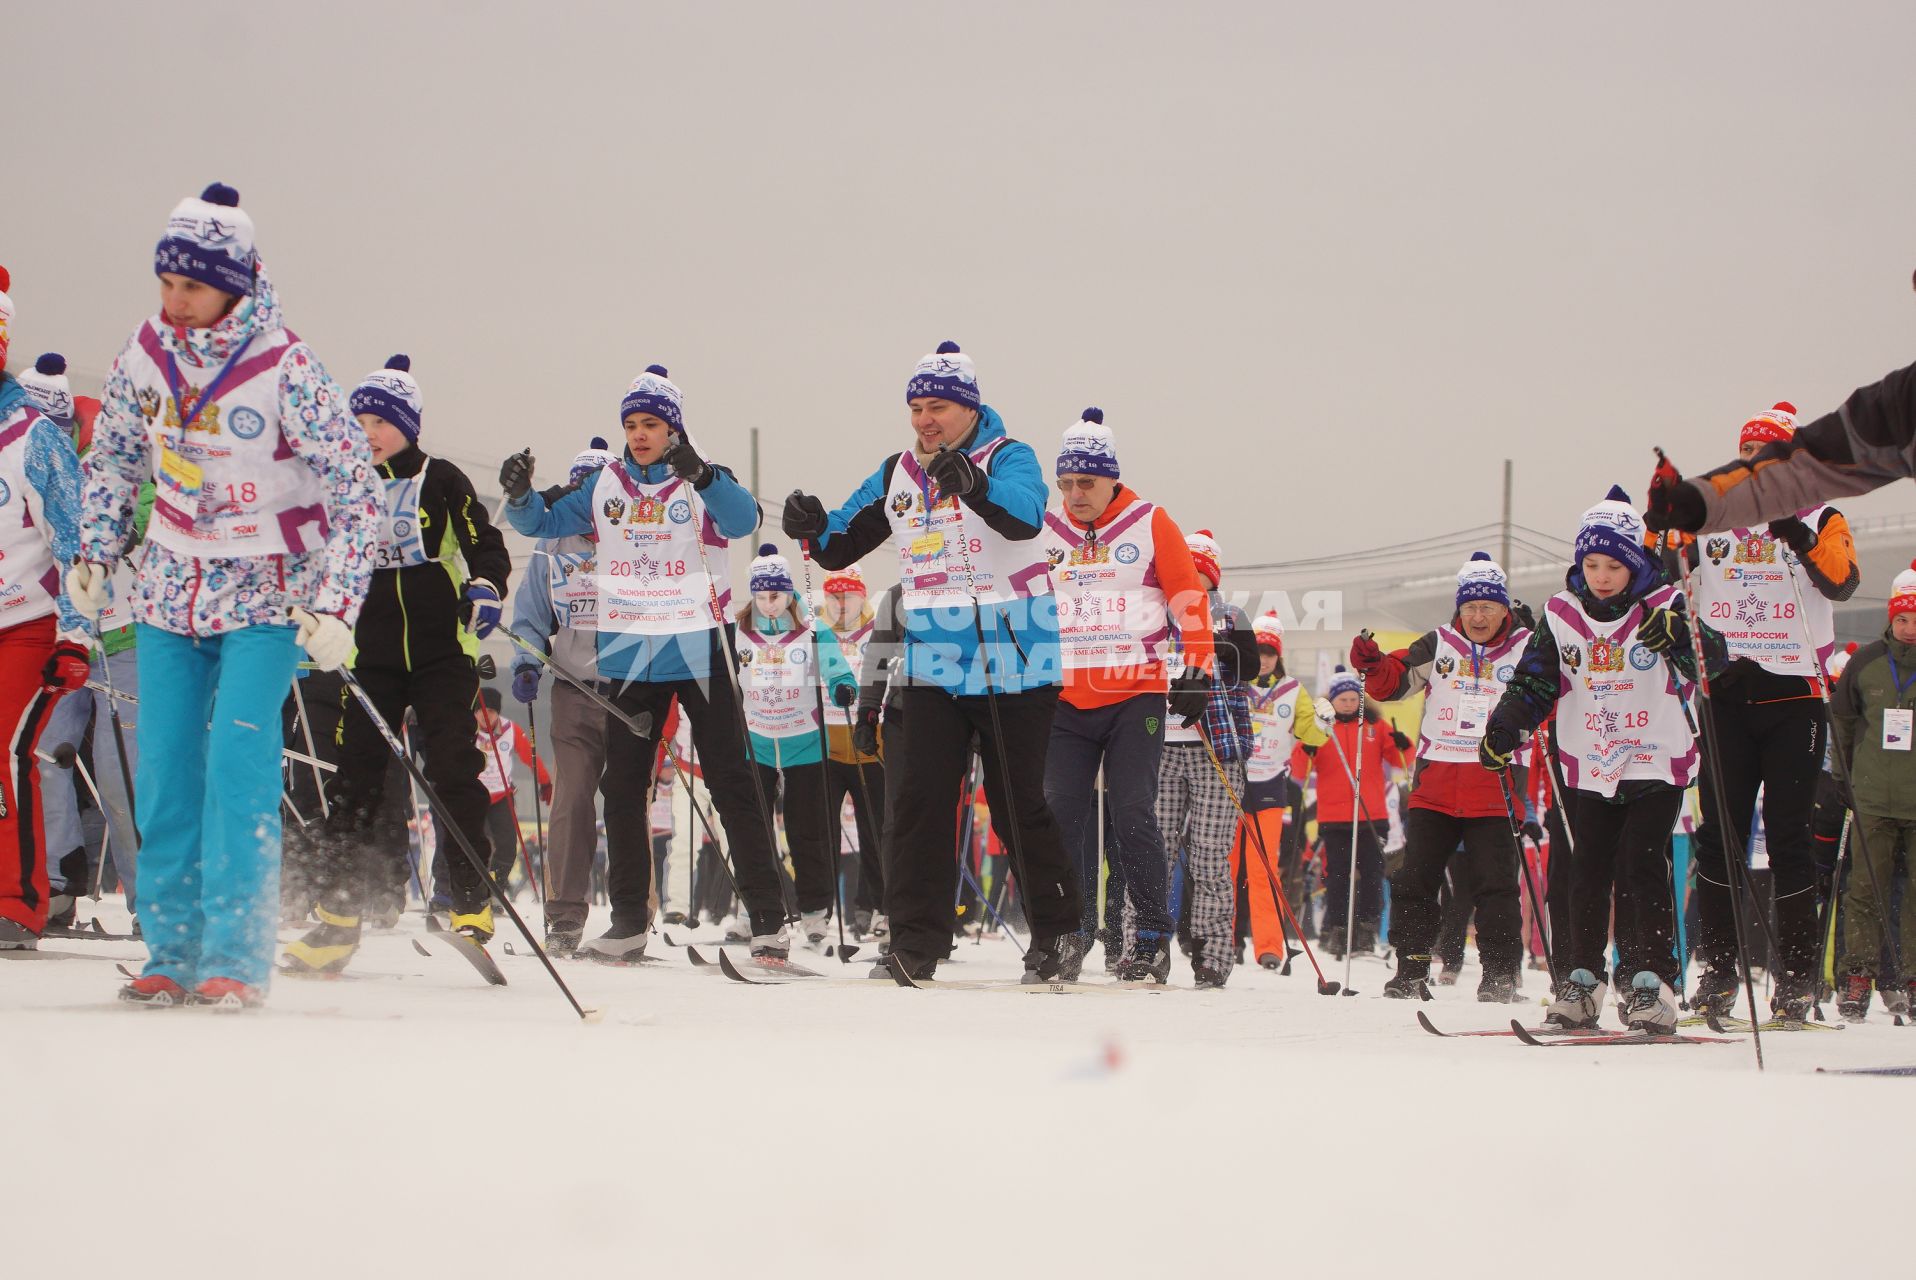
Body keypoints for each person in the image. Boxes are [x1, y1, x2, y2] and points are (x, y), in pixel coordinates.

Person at [73, 184, 378, 1005]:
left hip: (266, 599)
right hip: (170, 593)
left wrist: (338, 608)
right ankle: (171, 950)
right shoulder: (145, 355)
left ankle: (235, 961)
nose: (175, 303)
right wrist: (96, 549)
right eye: (166, 284)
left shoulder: (287, 368)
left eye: (193, 288)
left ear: (236, 284)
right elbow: (113, 460)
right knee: (167, 774)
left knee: (236, 769)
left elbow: (357, 492)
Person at [781, 341, 1082, 982]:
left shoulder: (1010, 456)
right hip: (930, 663)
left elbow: (1027, 519)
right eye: (916, 407)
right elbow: (840, 541)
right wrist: (810, 526)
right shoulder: (897, 472)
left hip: (1014, 659)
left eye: (937, 407)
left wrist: (972, 485)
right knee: (915, 802)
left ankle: (1057, 935)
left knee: (1015, 804)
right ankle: (915, 942)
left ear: (968, 408)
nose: (924, 420)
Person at [503, 365, 791, 962]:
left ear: (674, 428)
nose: (639, 435)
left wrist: (706, 477)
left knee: (732, 782)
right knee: (622, 786)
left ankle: (768, 919)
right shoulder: (605, 485)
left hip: (696, 643)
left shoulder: (702, 478)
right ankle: (630, 918)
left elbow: (744, 522)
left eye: (651, 424)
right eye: (631, 424)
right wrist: (520, 495)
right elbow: (543, 524)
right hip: (631, 646)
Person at [280, 355, 510, 974]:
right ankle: (338, 917)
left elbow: (484, 542)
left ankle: (470, 900)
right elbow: (314, 551)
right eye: (360, 420)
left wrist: (486, 586)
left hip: (441, 652)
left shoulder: (442, 478)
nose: (369, 431)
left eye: (381, 420)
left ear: (408, 425)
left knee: (453, 771)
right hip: (369, 656)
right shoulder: (344, 485)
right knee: (353, 780)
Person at [1480, 486, 1712, 1034]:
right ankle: (1581, 980)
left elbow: (1713, 665)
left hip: (1654, 758)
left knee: (1641, 866)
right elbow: (1536, 679)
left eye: (1614, 564)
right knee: (1584, 874)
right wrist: (1506, 724)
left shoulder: (1666, 603)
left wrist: (1681, 640)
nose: (1602, 575)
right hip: (1589, 758)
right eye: (1592, 563)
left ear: (1634, 563)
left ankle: (1651, 984)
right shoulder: (1562, 613)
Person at [1675, 402, 1859, 1020]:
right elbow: (1659, 560)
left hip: (1795, 701)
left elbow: (1842, 582)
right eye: (1747, 452)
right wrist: (1663, 516)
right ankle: (1720, 972)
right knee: (1719, 838)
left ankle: (1798, 978)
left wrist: (1799, 536)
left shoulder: (1823, 513)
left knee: (1788, 839)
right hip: (1727, 697)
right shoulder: (1717, 520)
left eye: (1767, 452)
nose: (1754, 463)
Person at [1035, 410, 1214, 981]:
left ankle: (1153, 937)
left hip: (1135, 693)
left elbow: (1188, 593)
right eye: (1065, 483)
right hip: (1066, 698)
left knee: (1130, 811)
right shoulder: (1046, 529)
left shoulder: (1149, 520)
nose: (1074, 494)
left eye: (1085, 482)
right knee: (1059, 815)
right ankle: (1066, 932)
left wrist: (1198, 666)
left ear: (1111, 479)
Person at [1351, 552, 1534, 1002]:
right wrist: (1373, 664)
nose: (1478, 616)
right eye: (1470, 607)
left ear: (1503, 609)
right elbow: (1395, 683)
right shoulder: (1440, 643)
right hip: (1435, 787)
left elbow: (1549, 696)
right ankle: (1411, 969)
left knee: (1496, 888)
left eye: (1487, 607)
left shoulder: (1527, 647)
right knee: (1416, 880)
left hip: (1495, 786)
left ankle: (1501, 974)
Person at [18, 351, 143, 932]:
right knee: (40, 756)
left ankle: (152, 898)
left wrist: (129, 525)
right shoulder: (20, 460)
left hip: (121, 640)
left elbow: (148, 505)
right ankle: (60, 879)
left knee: (121, 772)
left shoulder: (108, 461)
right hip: (57, 634)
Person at [0, 280, 92, 951]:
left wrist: (76, 634)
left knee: (5, 752)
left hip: (25, 620)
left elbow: (79, 539)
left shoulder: (33, 437)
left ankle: (20, 902)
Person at [508, 437, 617, 953]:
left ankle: (634, 913)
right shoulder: (551, 547)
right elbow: (530, 616)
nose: (581, 499)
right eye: (575, 488)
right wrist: (528, 662)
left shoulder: (634, 536)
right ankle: (566, 915)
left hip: (632, 689)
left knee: (626, 803)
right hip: (574, 688)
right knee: (573, 800)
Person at [1145, 528, 1257, 986]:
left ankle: (1212, 953)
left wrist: (1208, 642)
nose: (1188, 578)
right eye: (1182, 569)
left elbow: (1250, 666)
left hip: (1216, 749)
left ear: (1211, 577)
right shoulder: (1151, 611)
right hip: (1157, 748)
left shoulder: (1229, 614)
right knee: (1154, 852)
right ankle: (1146, 945)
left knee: (1210, 857)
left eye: (1197, 572)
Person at [733, 543, 858, 948]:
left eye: (776, 596)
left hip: (805, 740)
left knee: (808, 832)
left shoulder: (814, 630)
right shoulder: (740, 632)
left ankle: (815, 913)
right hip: (757, 742)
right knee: (754, 832)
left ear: (790, 594)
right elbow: (724, 677)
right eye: (762, 597)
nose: (769, 605)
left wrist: (842, 686)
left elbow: (838, 667)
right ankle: (751, 908)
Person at [1645, 361, 1916, 535]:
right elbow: (1794, 473)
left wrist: (1804, 543)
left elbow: (1843, 586)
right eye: (1747, 448)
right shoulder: (1901, 403)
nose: (1755, 456)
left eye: (1763, 448)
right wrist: (1697, 501)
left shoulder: (1822, 519)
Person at [1827, 559, 1916, 1021]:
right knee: (1865, 890)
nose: (1909, 628)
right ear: (1891, 618)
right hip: (1872, 797)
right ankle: (1858, 977)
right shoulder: (1865, 663)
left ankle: (1913, 978)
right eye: (1902, 618)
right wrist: (1845, 780)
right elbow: (1841, 725)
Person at [1236, 611, 1324, 967]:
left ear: (1279, 655)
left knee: (1264, 868)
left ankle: (1269, 945)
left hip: (1271, 784)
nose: (1263, 658)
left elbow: (1311, 735)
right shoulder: (1235, 682)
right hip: (1231, 781)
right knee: (1223, 868)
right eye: (1257, 651)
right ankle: (1222, 941)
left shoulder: (1293, 690)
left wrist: (1324, 721)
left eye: (1269, 652)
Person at [1311, 667, 1405, 956]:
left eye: (1354, 699)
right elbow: (1301, 764)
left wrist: (1403, 744)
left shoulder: (1375, 726)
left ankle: (1367, 930)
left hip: (1371, 815)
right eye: (1343, 700)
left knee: (1373, 875)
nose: (1349, 704)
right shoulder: (1322, 728)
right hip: (1334, 816)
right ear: (1333, 701)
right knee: (1337, 876)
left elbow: (1401, 760)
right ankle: (1338, 929)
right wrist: (1306, 748)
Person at [817, 563, 886, 937]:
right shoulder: (816, 633)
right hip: (825, 749)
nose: (841, 603)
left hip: (869, 748)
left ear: (862, 595)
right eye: (834, 596)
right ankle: (817, 913)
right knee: (820, 836)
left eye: (848, 595)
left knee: (875, 833)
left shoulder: (878, 632)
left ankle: (880, 908)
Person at [472, 686, 550, 892]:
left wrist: (545, 782)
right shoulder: (467, 729)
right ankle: (477, 887)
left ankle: (497, 887)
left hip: (501, 796)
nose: (485, 716)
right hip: (474, 797)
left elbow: (530, 757)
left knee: (507, 846)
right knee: (481, 844)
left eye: (490, 711)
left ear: (497, 712)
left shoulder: (510, 730)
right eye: (480, 711)